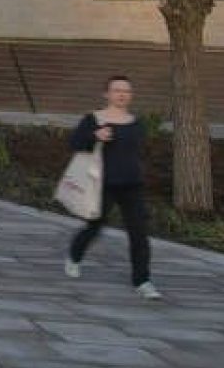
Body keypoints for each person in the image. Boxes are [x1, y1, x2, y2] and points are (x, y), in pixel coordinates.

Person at [65, 74, 160, 300]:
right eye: (117, 90)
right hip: (102, 185)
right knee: (94, 227)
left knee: (139, 235)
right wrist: (94, 136)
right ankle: (74, 255)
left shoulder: (136, 124)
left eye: (126, 91)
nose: (121, 95)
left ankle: (143, 281)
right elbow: (75, 143)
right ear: (106, 94)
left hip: (132, 186)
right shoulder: (94, 119)